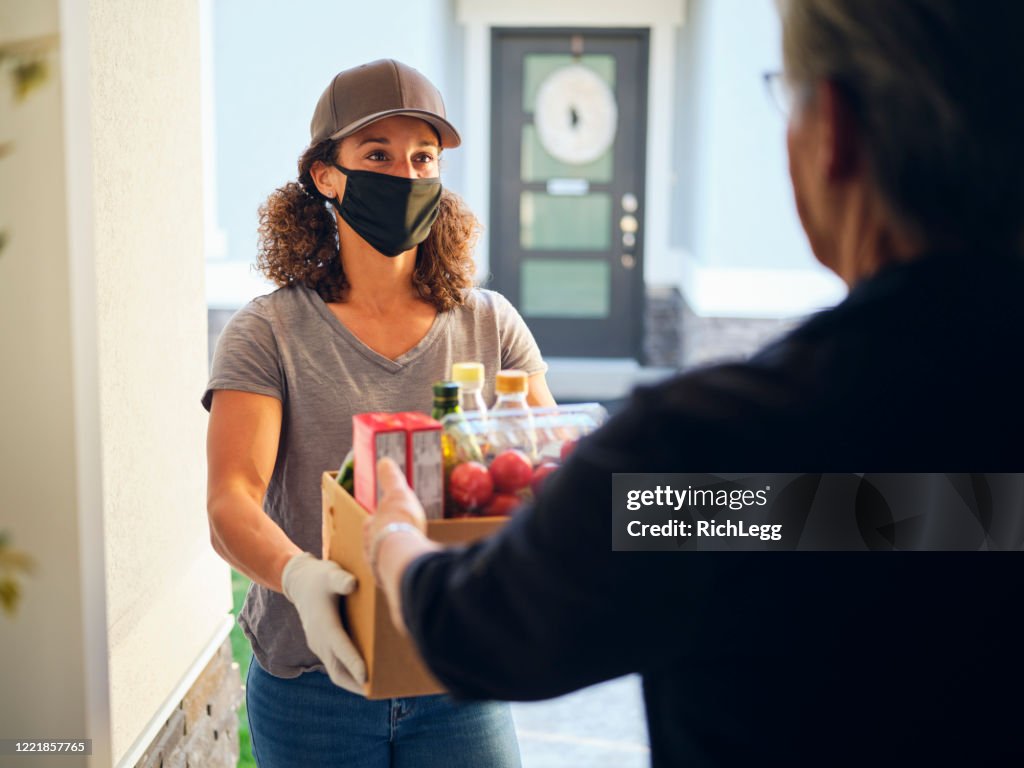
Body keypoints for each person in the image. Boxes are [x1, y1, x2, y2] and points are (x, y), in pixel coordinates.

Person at [364, 2, 1024, 766]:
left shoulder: (722, 456)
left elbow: (478, 630)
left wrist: (395, 538)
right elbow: (937, 516)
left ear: (832, 132)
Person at [204, 59, 554, 767]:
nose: (404, 174)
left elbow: (549, 474)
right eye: (377, 155)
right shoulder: (268, 332)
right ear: (326, 176)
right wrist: (301, 579)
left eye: (422, 157)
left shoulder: (491, 325)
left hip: (457, 672)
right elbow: (231, 499)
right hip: (313, 686)